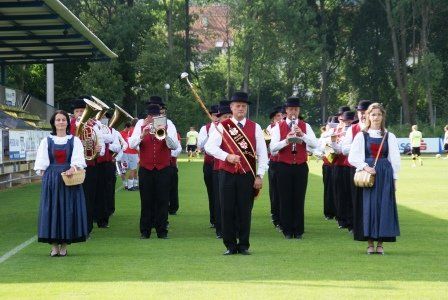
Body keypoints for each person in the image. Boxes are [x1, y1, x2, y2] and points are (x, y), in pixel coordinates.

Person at [205, 91, 268, 255]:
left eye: (243, 106)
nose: (241, 108)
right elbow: (209, 147)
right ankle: (230, 246)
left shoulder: (255, 127)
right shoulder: (222, 126)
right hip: (226, 174)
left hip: (247, 175)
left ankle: (244, 245)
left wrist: (260, 175)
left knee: (245, 210)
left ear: (246, 108)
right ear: (231, 107)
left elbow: (262, 153)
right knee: (226, 210)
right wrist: (227, 156)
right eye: (238, 106)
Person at [348, 103, 401, 255]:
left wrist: (395, 179)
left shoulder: (389, 136)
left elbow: (395, 159)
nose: (376, 117)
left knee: (384, 207)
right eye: (373, 114)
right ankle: (370, 243)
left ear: (383, 116)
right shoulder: (361, 135)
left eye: (379, 114)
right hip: (369, 175)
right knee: (369, 207)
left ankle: (380, 244)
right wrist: (365, 166)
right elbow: (353, 157)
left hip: (385, 175)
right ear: (368, 117)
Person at [34, 110, 88, 257]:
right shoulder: (46, 141)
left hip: (69, 178)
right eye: (58, 120)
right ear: (53, 123)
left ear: (67, 122)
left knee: (67, 209)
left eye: (63, 119)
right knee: (52, 209)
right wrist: (44, 174)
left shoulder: (74, 140)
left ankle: (64, 245)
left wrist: (73, 167)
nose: (61, 122)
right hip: (52, 179)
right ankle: (54, 246)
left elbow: (78, 159)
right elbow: (42, 162)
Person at [129, 103, 180, 239]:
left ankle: (162, 231)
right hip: (146, 168)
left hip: (164, 169)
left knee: (162, 201)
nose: (153, 119)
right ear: (147, 116)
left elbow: (175, 146)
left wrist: (166, 134)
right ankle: (145, 231)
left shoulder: (168, 125)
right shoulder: (140, 126)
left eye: (156, 116)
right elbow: (131, 144)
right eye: (151, 116)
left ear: (160, 116)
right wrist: (142, 134)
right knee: (146, 201)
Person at [270, 95, 317, 239]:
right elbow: (272, 148)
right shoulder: (278, 126)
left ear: (298, 110)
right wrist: (286, 140)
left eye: (295, 109)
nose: (293, 112)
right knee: (285, 198)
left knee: (299, 197)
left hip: (301, 166)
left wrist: (302, 135)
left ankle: (298, 230)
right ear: (286, 111)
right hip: (283, 166)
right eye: (290, 109)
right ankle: (287, 229)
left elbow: (315, 144)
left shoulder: (305, 126)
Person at [342, 99, 372, 242]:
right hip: (354, 168)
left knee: (370, 198)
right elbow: (344, 148)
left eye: (365, 112)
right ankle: (356, 227)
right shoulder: (352, 129)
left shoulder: (376, 129)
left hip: (371, 169)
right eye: (360, 113)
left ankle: (370, 225)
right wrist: (357, 144)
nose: (362, 115)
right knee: (355, 198)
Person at [198, 104, 219, 228]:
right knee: (212, 192)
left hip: (223, 164)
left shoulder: (227, 127)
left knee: (221, 193)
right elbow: (201, 145)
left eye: (218, 115)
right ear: (210, 116)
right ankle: (214, 219)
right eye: (215, 115)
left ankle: (223, 219)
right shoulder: (205, 128)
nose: (217, 117)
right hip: (210, 164)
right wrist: (212, 133)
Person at [266, 106, 283, 229]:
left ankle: (283, 216)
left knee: (283, 191)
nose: (280, 118)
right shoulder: (269, 129)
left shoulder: (287, 128)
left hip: (284, 163)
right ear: (273, 119)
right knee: (274, 191)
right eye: (278, 116)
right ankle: (275, 215)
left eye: (282, 116)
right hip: (273, 162)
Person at [120, 119, 140, 191]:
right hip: (132, 152)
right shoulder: (134, 131)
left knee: (131, 169)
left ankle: (132, 185)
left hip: (128, 152)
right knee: (132, 169)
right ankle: (130, 186)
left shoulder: (130, 130)